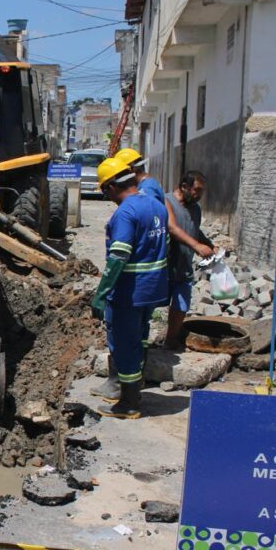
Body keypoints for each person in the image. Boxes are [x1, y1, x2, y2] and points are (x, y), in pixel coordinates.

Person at [89, 158, 169, 419]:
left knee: (124, 344)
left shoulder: (125, 212)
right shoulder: (156, 205)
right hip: (153, 289)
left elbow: (119, 257)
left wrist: (102, 294)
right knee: (140, 338)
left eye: (104, 192)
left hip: (129, 290)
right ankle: (134, 389)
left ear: (111, 186)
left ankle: (129, 403)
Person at [164, 171, 214, 349]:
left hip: (184, 267)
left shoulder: (195, 209)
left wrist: (208, 244)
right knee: (150, 306)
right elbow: (172, 228)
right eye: (197, 190)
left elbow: (194, 230)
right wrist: (197, 246)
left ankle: (170, 341)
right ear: (184, 186)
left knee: (180, 306)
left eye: (202, 192)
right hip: (164, 266)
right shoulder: (166, 202)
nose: (199, 195)